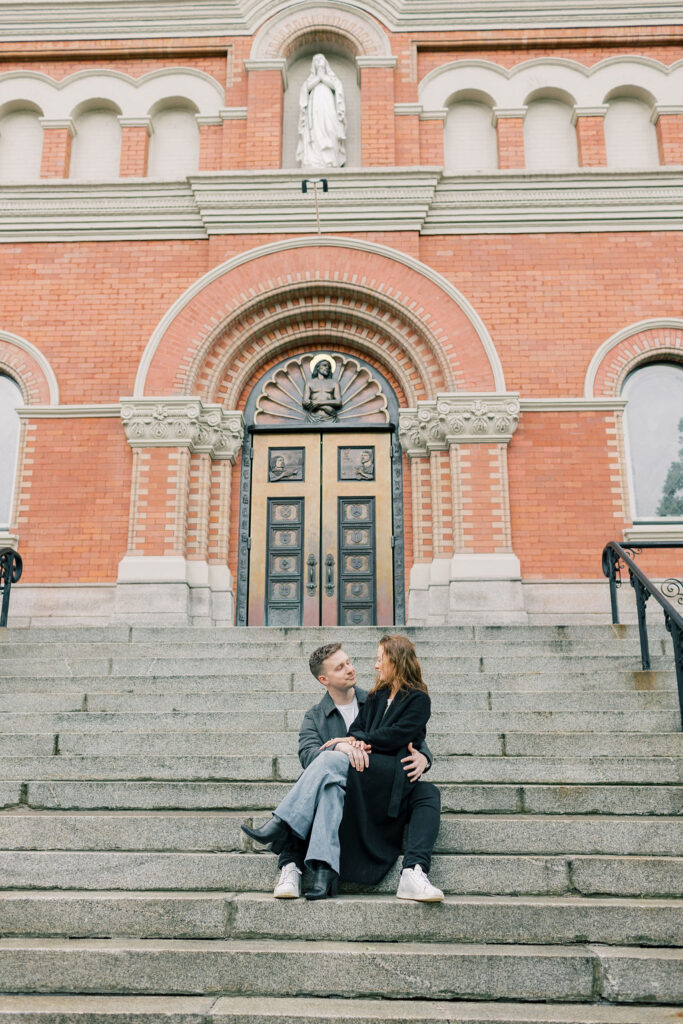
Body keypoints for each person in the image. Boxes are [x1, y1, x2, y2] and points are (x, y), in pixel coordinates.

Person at [241, 638, 443, 902]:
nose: (351, 669)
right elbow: (309, 755)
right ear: (324, 679)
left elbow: (408, 736)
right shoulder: (315, 717)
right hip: (341, 788)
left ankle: (282, 824)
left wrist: (424, 758)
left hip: (377, 781)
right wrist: (341, 749)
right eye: (340, 667)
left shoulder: (371, 696)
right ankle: (296, 865)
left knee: (427, 792)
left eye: (349, 662)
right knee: (325, 781)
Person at [296, 53, 346, 169]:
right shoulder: (311, 80)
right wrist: (318, 77)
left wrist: (322, 77)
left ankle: (331, 159)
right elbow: (305, 89)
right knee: (315, 129)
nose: (319, 62)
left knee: (330, 128)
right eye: (316, 60)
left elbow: (337, 87)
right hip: (314, 110)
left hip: (328, 106)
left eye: (321, 59)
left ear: (326, 63)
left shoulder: (331, 78)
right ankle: (315, 161)